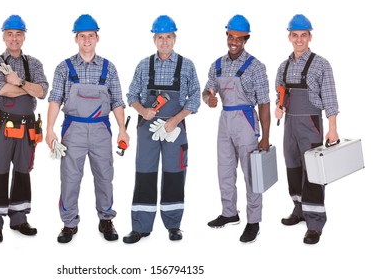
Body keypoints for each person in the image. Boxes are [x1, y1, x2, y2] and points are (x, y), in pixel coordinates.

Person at [46, 14, 129, 244]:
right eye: (82, 36)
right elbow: (55, 99)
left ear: (97, 38)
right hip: (73, 129)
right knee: (70, 178)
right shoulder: (64, 68)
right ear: (76, 39)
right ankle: (69, 223)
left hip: (101, 128)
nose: (86, 40)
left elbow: (117, 102)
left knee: (105, 176)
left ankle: (106, 219)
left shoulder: (108, 68)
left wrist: (122, 129)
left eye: (90, 36)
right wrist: (49, 130)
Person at [122, 15, 200, 244]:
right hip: (148, 127)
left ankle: (174, 225)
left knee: (174, 174)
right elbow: (131, 96)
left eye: (168, 37)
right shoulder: (143, 65)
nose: (164, 41)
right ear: (154, 39)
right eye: (160, 37)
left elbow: (195, 97)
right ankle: (140, 227)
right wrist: (142, 111)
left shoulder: (186, 65)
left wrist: (176, 119)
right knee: (145, 174)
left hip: (175, 128)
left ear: (174, 38)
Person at [203, 14, 271, 243]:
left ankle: (253, 222)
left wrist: (265, 137)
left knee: (251, 174)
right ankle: (229, 213)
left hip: (246, 122)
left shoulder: (256, 67)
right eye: (231, 37)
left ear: (246, 39)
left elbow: (264, 103)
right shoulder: (217, 65)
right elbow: (208, 91)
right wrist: (209, 99)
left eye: (239, 38)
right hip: (225, 121)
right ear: (227, 36)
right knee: (224, 170)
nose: (234, 42)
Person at [275, 14, 339, 245]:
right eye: (295, 35)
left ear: (310, 36)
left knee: (313, 171)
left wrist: (332, 129)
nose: (299, 39)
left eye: (304, 35)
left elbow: (330, 99)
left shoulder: (321, 64)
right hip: (289, 125)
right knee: (292, 166)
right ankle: (299, 209)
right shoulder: (283, 66)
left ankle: (315, 223)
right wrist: (279, 106)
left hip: (311, 123)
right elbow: (280, 93)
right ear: (289, 37)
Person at [0, 14, 48, 243]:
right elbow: (1, 90)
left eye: (18, 34)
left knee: (23, 170)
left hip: (27, 127)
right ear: (3, 36)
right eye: (10, 33)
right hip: (1, 125)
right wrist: (29, 88)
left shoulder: (34, 64)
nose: (14, 38)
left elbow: (42, 92)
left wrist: (19, 82)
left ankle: (19, 218)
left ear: (24, 37)